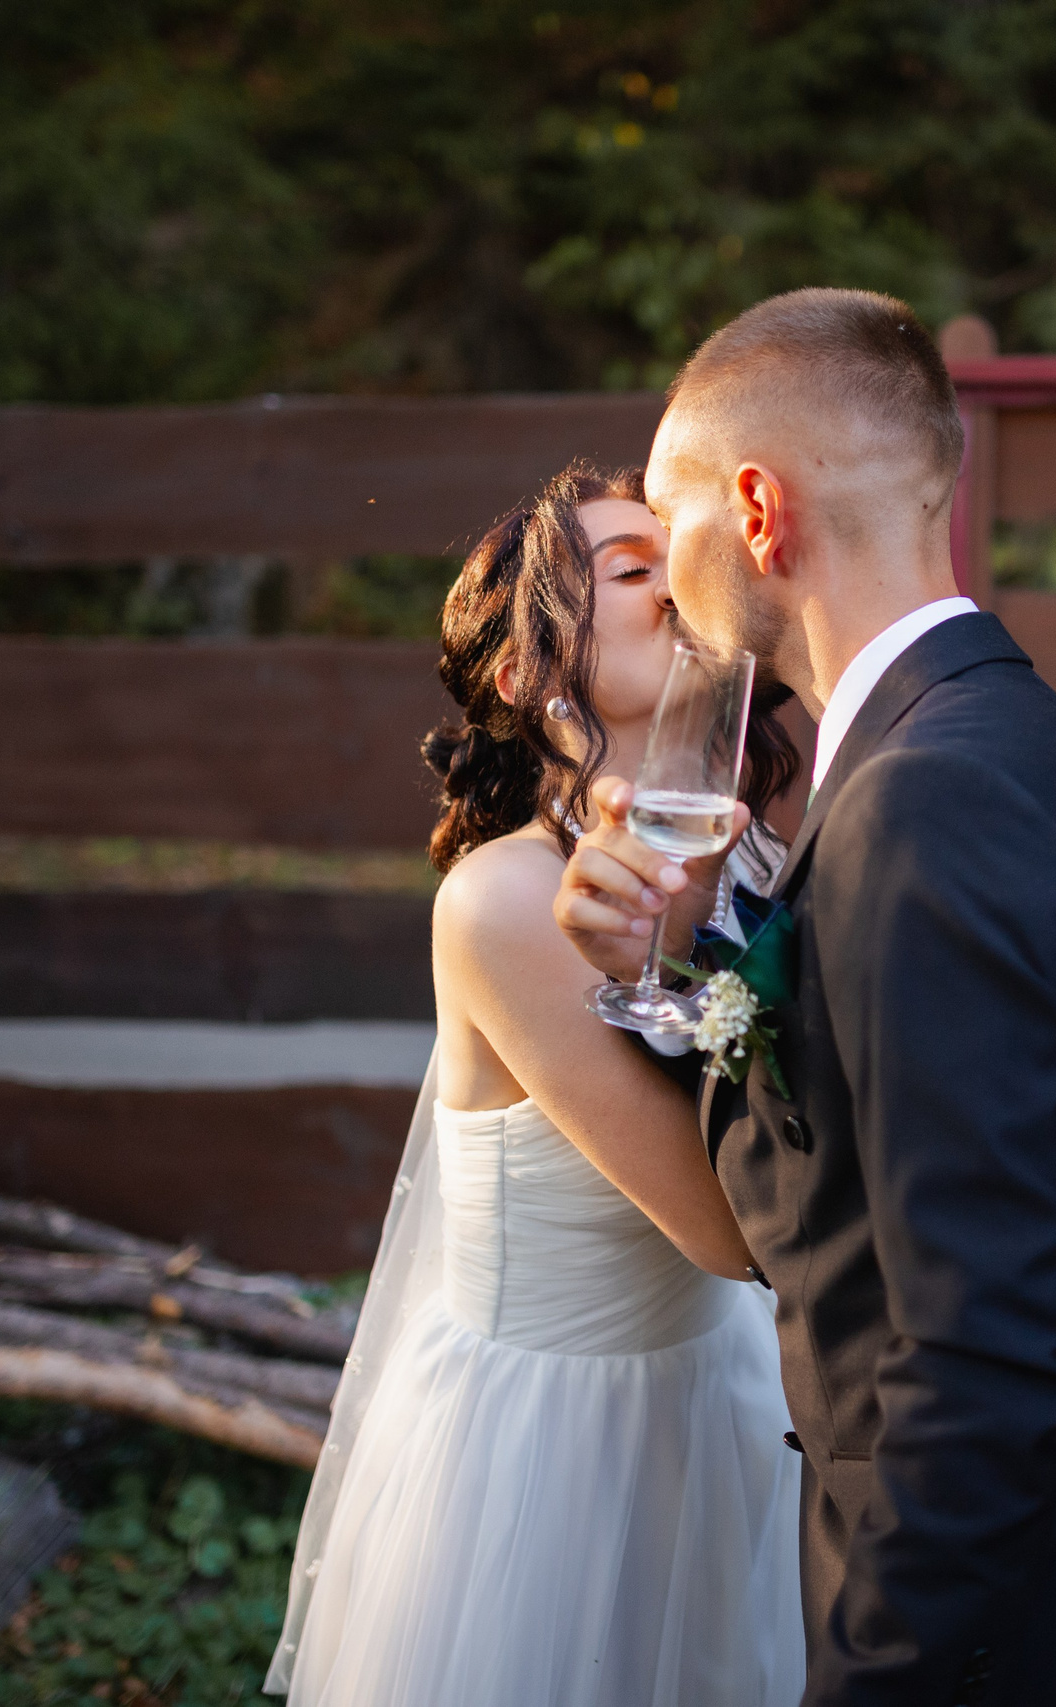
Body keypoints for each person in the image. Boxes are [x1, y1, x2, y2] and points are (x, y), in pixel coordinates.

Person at [555, 291, 1056, 1706]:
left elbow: (980, 1350)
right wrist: (691, 955)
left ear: (756, 512)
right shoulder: (1031, 743)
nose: (670, 577)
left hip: (1031, 1636)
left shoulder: (924, 799)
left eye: (673, 516)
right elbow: (850, 1182)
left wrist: (875, 1677)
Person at [267, 461, 805, 1707]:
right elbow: (724, 1230)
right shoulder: (505, 902)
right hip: (553, 1448)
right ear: (525, 676)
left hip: (721, 1390)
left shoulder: (755, 849)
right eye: (632, 567)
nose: (677, 581)